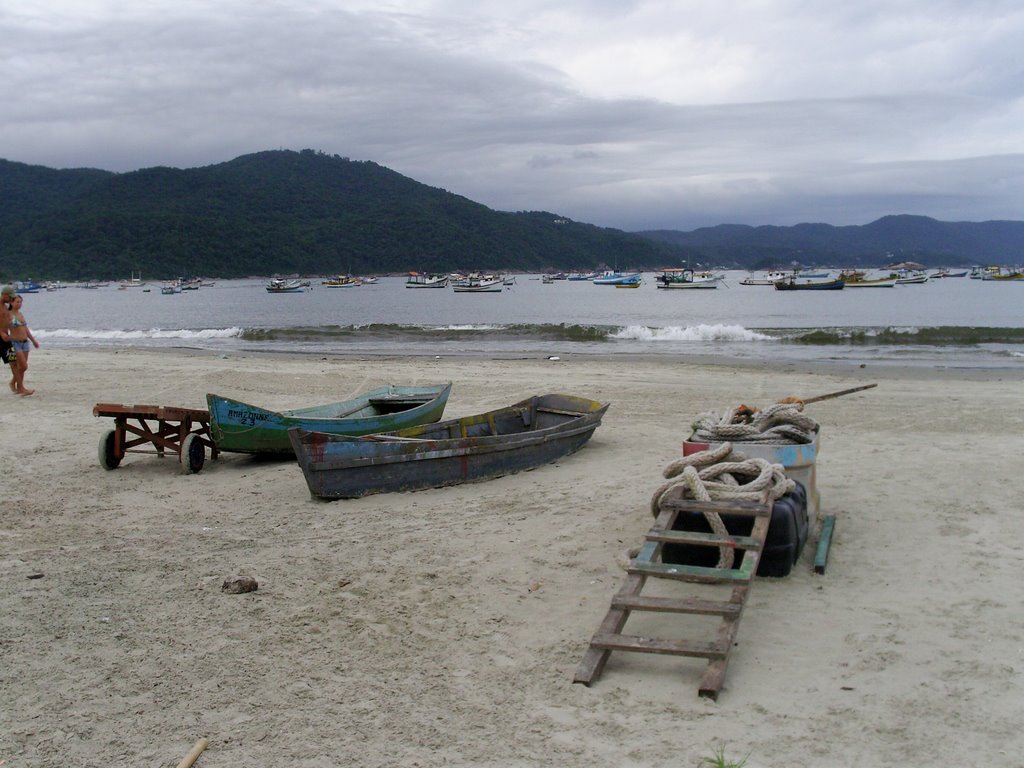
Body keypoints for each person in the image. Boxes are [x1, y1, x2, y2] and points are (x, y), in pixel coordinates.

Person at [6, 289, 39, 396]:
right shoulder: (7, 314)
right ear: (11, 302)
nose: (19, 304)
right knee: (23, 366)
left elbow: (25, 329)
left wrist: (33, 340)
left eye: (21, 302)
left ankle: (18, 386)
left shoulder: (20, 314)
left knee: (22, 367)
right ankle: (16, 384)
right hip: (15, 343)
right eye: (17, 302)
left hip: (25, 342)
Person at [1, 284, 18, 393]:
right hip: (1, 337)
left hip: (7, 339)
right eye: (10, 297)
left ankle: (18, 386)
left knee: (14, 361)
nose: (11, 299)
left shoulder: (6, 306)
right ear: (4, 295)